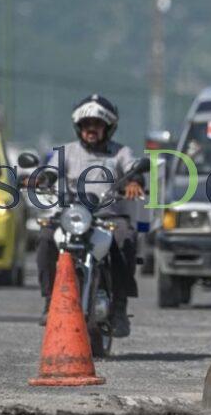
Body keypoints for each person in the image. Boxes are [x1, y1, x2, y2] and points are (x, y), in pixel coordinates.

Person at [36, 94, 144, 337]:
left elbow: (134, 169)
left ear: (108, 127)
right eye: (86, 124)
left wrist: (134, 181)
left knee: (125, 239)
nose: (91, 129)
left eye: (97, 124)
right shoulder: (66, 151)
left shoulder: (121, 152)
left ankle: (119, 307)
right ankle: (49, 301)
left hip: (108, 217)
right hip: (72, 216)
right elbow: (50, 172)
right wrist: (41, 179)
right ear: (79, 127)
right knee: (45, 237)